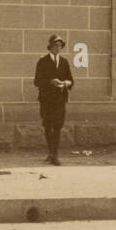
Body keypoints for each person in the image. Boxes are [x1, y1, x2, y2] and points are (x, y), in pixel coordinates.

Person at [33, 33, 73, 165]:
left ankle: (55, 155)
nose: (58, 48)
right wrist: (51, 81)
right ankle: (51, 152)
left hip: (60, 99)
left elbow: (71, 80)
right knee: (48, 125)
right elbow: (37, 81)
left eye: (60, 46)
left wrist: (67, 83)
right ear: (49, 47)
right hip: (46, 100)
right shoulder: (43, 61)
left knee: (57, 126)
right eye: (55, 45)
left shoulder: (64, 62)